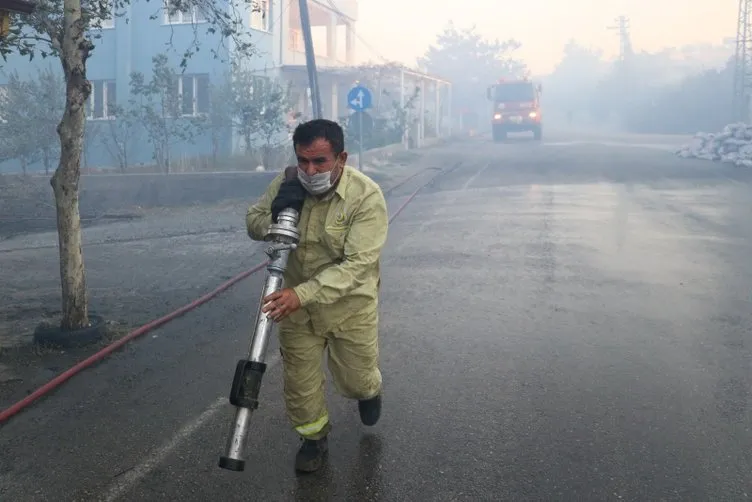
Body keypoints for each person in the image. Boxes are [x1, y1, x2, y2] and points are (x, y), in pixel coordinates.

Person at [245, 118, 389, 473]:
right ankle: (313, 440)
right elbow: (253, 220)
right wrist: (279, 218)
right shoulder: (288, 182)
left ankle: (369, 390)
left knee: (355, 380)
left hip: (348, 308)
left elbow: (358, 265)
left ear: (342, 158)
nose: (310, 170)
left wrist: (302, 293)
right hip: (295, 310)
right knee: (300, 383)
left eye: (320, 162)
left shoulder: (366, 196)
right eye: (303, 160)